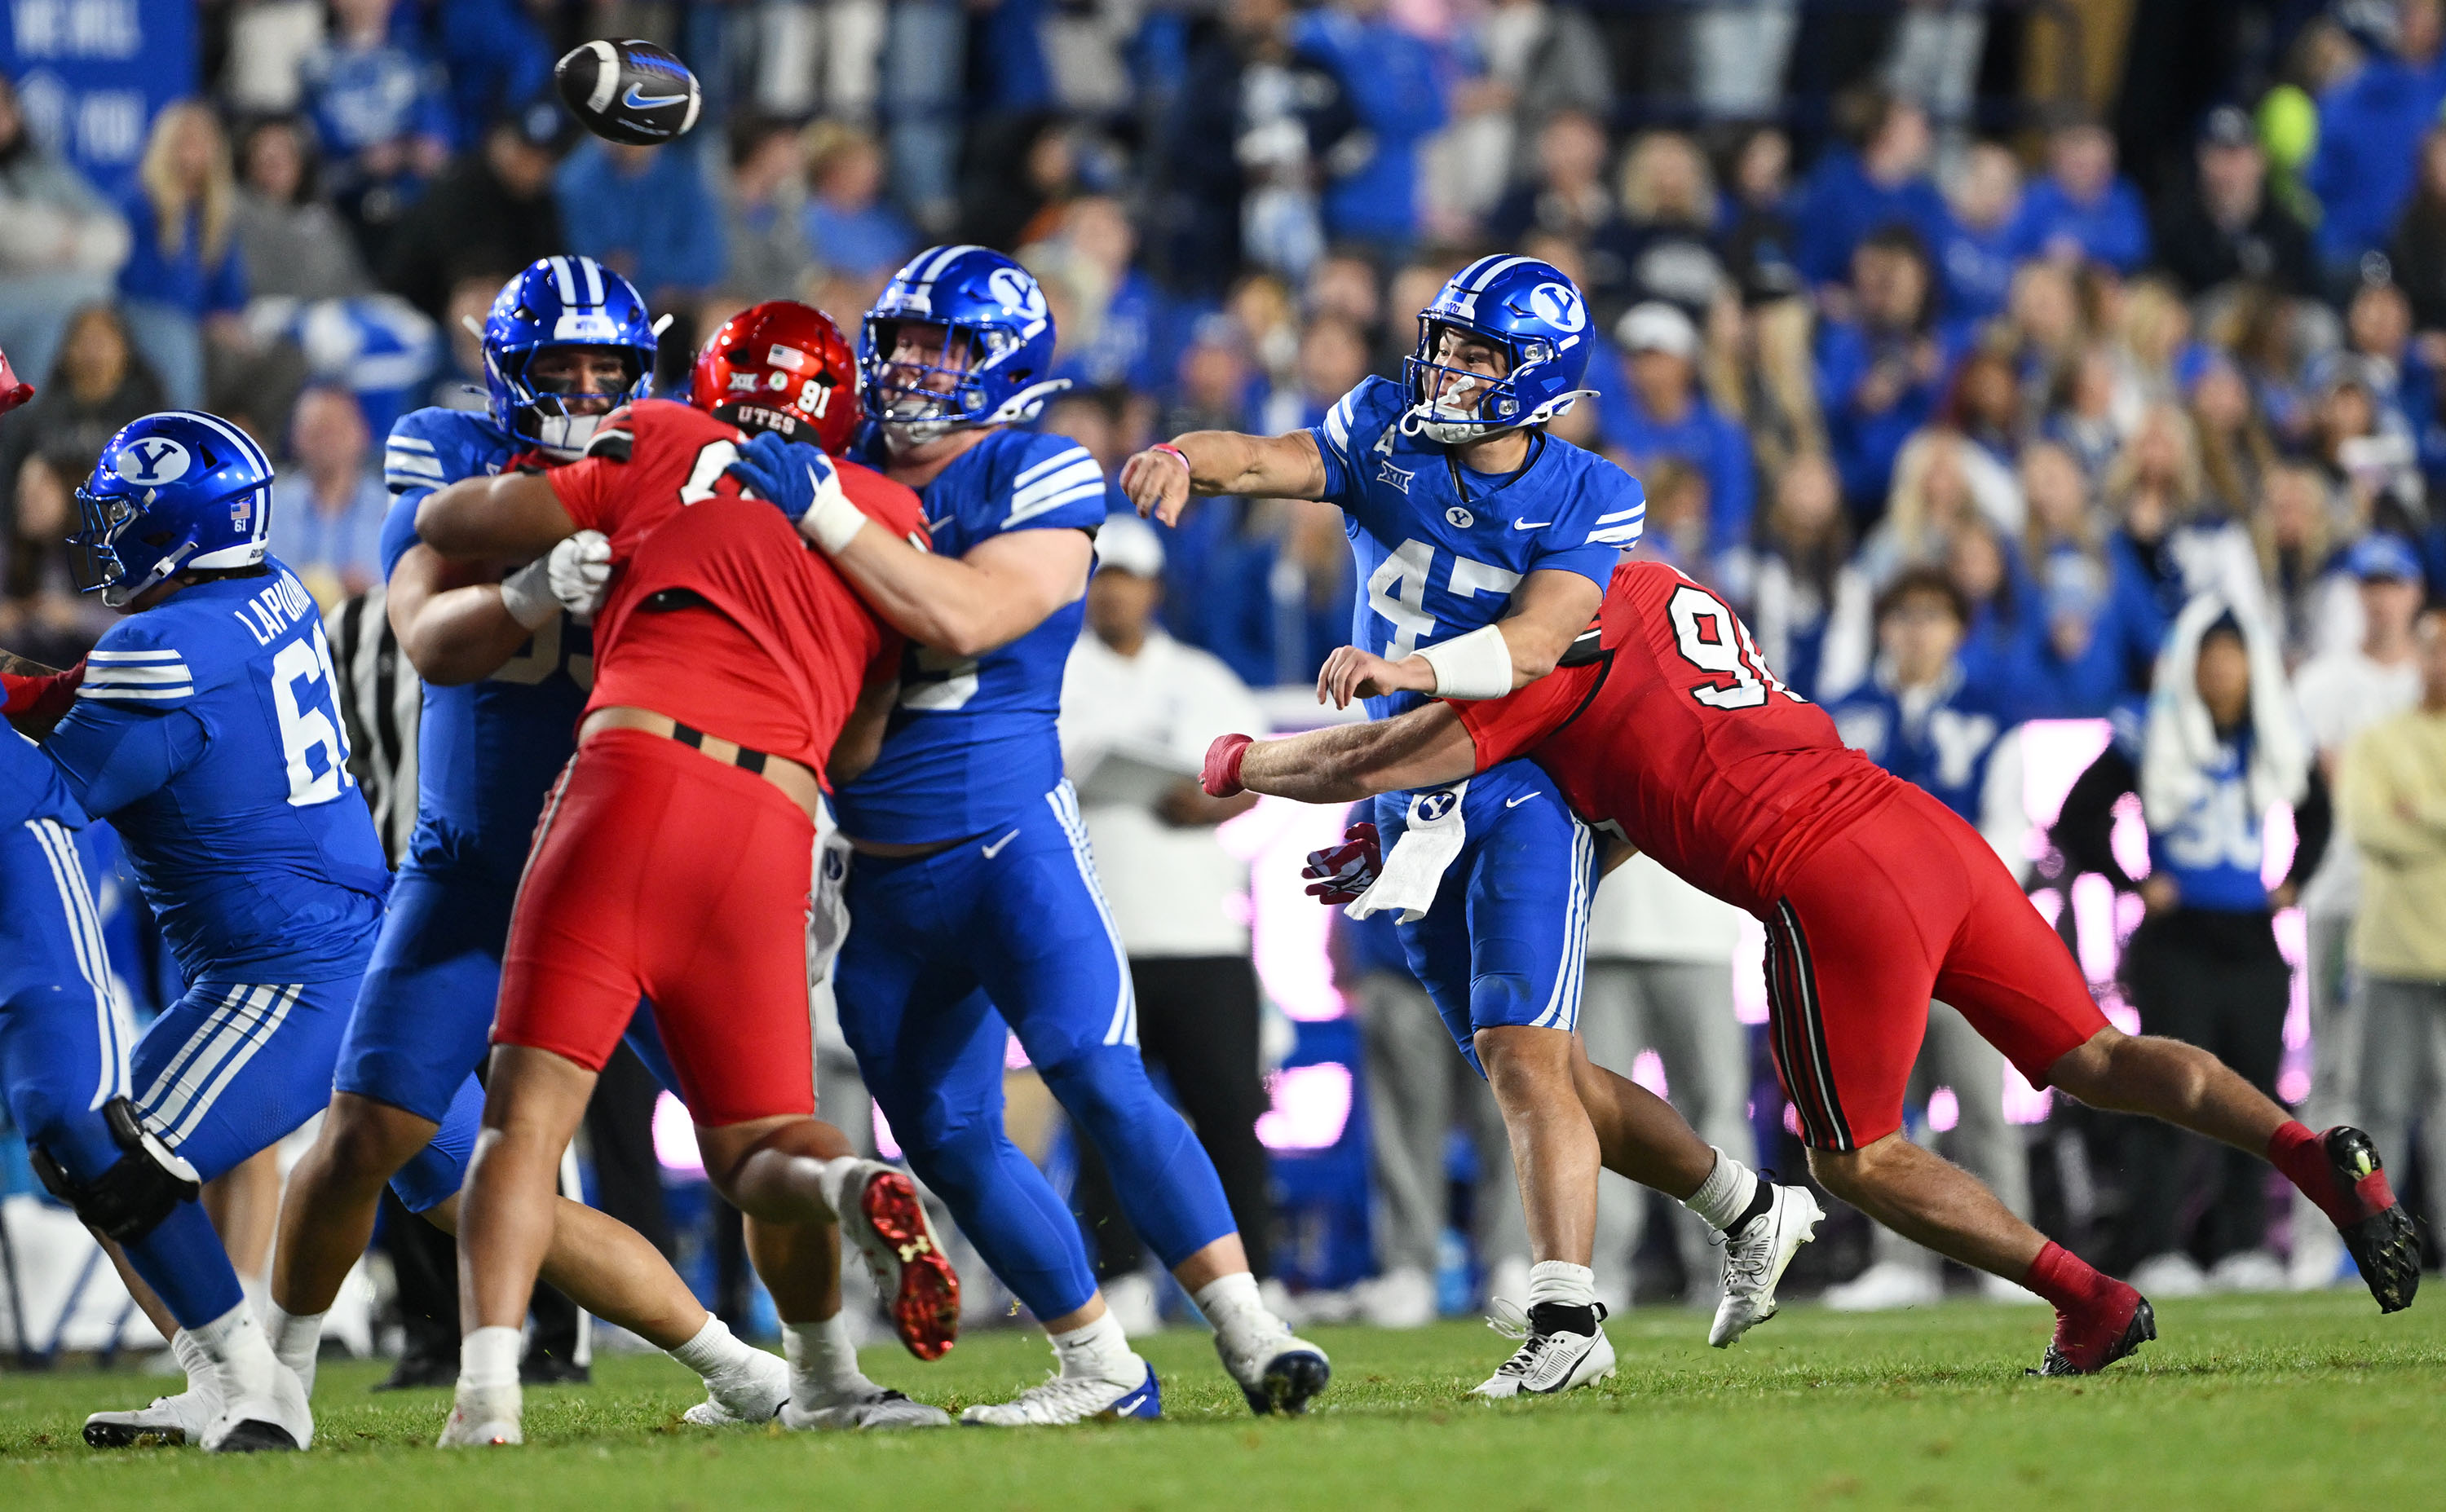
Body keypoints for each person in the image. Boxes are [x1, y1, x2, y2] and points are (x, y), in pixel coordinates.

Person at [1207, 558, 2422, 1373]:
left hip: (1826, 877)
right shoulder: (1658, 584)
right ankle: (2314, 1155)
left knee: (1857, 1153)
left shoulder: (1540, 650)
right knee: (2096, 1053)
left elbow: (1375, 758)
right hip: (1915, 825)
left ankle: (2089, 1298)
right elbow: (1652, 797)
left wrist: (1243, 761)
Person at [1118, 254, 1816, 1399]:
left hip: (1528, 784)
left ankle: (1568, 1316)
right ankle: (1748, 1204)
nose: (1445, 367)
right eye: (1445, 342)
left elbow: (1539, 641)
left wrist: (1405, 667)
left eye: (1477, 353)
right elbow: (1274, 457)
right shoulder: (1387, 424)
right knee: (1541, 1068)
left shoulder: (1593, 491)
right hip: (1413, 788)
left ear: (1537, 374)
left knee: (1531, 1058)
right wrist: (1186, 456)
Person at [723, 246, 1325, 1425]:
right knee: (946, 1136)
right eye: (898, 342)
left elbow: (968, 609)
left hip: (1008, 843)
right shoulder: (833, 469)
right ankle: (1101, 1362)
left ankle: (1252, 1330)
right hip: (876, 876)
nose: (911, 367)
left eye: (941, 344)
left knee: (1100, 1073)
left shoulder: (1035, 467)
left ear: (1001, 359)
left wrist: (828, 514)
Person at [259, 262, 819, 1434]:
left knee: (756, 1141)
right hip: (477, 862)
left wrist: (809, 840)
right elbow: (424, 634)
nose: (577, 389)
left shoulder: (683, 455)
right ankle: (267, 1376)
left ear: (643, 374)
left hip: (639, 853)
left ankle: (806, 1371)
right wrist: (525, 590)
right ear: (503, 368)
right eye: (556, 369)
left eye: (602, 370)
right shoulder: (447, 451)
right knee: (372, 1127)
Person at [413, 300, 955, 1446]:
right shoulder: (893, 513)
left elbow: (454, 512)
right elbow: (859, 743)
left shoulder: (659, 434)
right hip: (775, 822)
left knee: (522, 1123)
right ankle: (848, 1219)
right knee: (765, 1141)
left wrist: (565, 518)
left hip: (636, 772)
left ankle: (489, 1398)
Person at [20, 412, 395, 1450]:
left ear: (182, 529)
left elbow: (49, 785)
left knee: (107, 1158)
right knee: (482, 1184)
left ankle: (252, 1389)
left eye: (126, 514)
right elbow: (70, 700)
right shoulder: (265, 587)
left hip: (284, 971)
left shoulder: (159, 641)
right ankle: (751, 1369)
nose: (104, 532)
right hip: (335, 940)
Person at [2052, 599, 2325, 1294]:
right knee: (2168, 1092)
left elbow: (2317, 807)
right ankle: (2157, 1245)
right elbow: (2078, 815)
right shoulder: (2150, 731)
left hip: (2252, 941)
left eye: (2232, 655)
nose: (2222, 670)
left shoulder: (2271, 730)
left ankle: (2244, 1243)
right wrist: (2131, 881)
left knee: (2258, 1096)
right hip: (2176, 944)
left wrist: (2295, 879)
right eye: (2209, 656)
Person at [1056, 514, 1278, 1321]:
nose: (1113, 590)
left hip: (1200, 931)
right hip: (1096, 931)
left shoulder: (1202, 676)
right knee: (1104, 1124)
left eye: (1127, 576)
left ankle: (1257, 1275)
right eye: (1101, 575)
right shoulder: (1053, 671)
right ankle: (1119, 1279)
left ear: (1153, 586)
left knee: (1229, 1113)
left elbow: (1258, 769)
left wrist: (1216, 797)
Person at [1823, 569, 2036, 1307]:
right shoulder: (1844, 712)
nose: (1917, 630)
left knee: (1983, 1105)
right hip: (1871, 943)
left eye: (1933, 614)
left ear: (1957, 628)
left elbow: (2013, 827)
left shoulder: (1992, 712)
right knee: (1882, 1113)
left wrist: (1954, 900)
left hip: (1960, 939)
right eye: (1904, 614)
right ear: (1883, 625)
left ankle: (2012, 1258)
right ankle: (1898, 1262)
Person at [2288, 535, 2427, 1287]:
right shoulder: (2323, 681)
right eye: (2369, 582)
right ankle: (2324, 1240)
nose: (2380, 597)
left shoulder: (2426, 679)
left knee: (2429, 1079)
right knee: (2335, 1068)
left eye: (2393, 582)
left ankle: (2416, 1241)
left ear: (2413, 593)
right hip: (2343, 896)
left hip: (2422, 908)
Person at [1575, 853, 1753, 1317]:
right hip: (1593, 938)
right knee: (1592, 1118)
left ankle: (1734, 1269)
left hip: (1698, 932)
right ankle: (1596, 1275)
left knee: (1715, 1113)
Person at [2338, 606, 2446, 1247]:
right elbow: (2370, 827)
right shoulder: (2377, 740)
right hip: (2393, 950)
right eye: (2432, 647)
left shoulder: (2384, 748)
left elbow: (2399, 825)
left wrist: (2421, 812)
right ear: (2417, 655)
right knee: (2379, 1108)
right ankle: (2380, 1249)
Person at [1598, 302, 1755, 555]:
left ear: (1686, 363)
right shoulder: (1610, 425)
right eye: (1636, 358)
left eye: (1657, 357)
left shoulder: (1720, 430)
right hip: (1631, 553)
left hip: (1707, 556)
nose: (1647, 370)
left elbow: (1733, 514)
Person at [2152, 106, 2314, 298]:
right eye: (2215, 157)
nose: (2225, 172)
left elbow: (2304, 298)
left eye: (2235, 157)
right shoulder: (2176, 229)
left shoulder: (2287, 232)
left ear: (2260, 161)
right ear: (2200, 160)